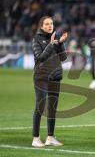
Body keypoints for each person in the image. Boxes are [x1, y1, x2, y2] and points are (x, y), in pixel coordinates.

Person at [32, 16, 68, 147]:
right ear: (41, 26)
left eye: (51, 24)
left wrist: (61, 43)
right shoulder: (36, 39)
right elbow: (40, 57)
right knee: (40, 107)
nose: (49, 26)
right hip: (41, 77)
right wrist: (51, 44)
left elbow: (63, 58)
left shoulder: (56, 40)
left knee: (52, 108)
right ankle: (35, 139)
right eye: (46, 24)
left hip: (55, 77)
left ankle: (50, 137)